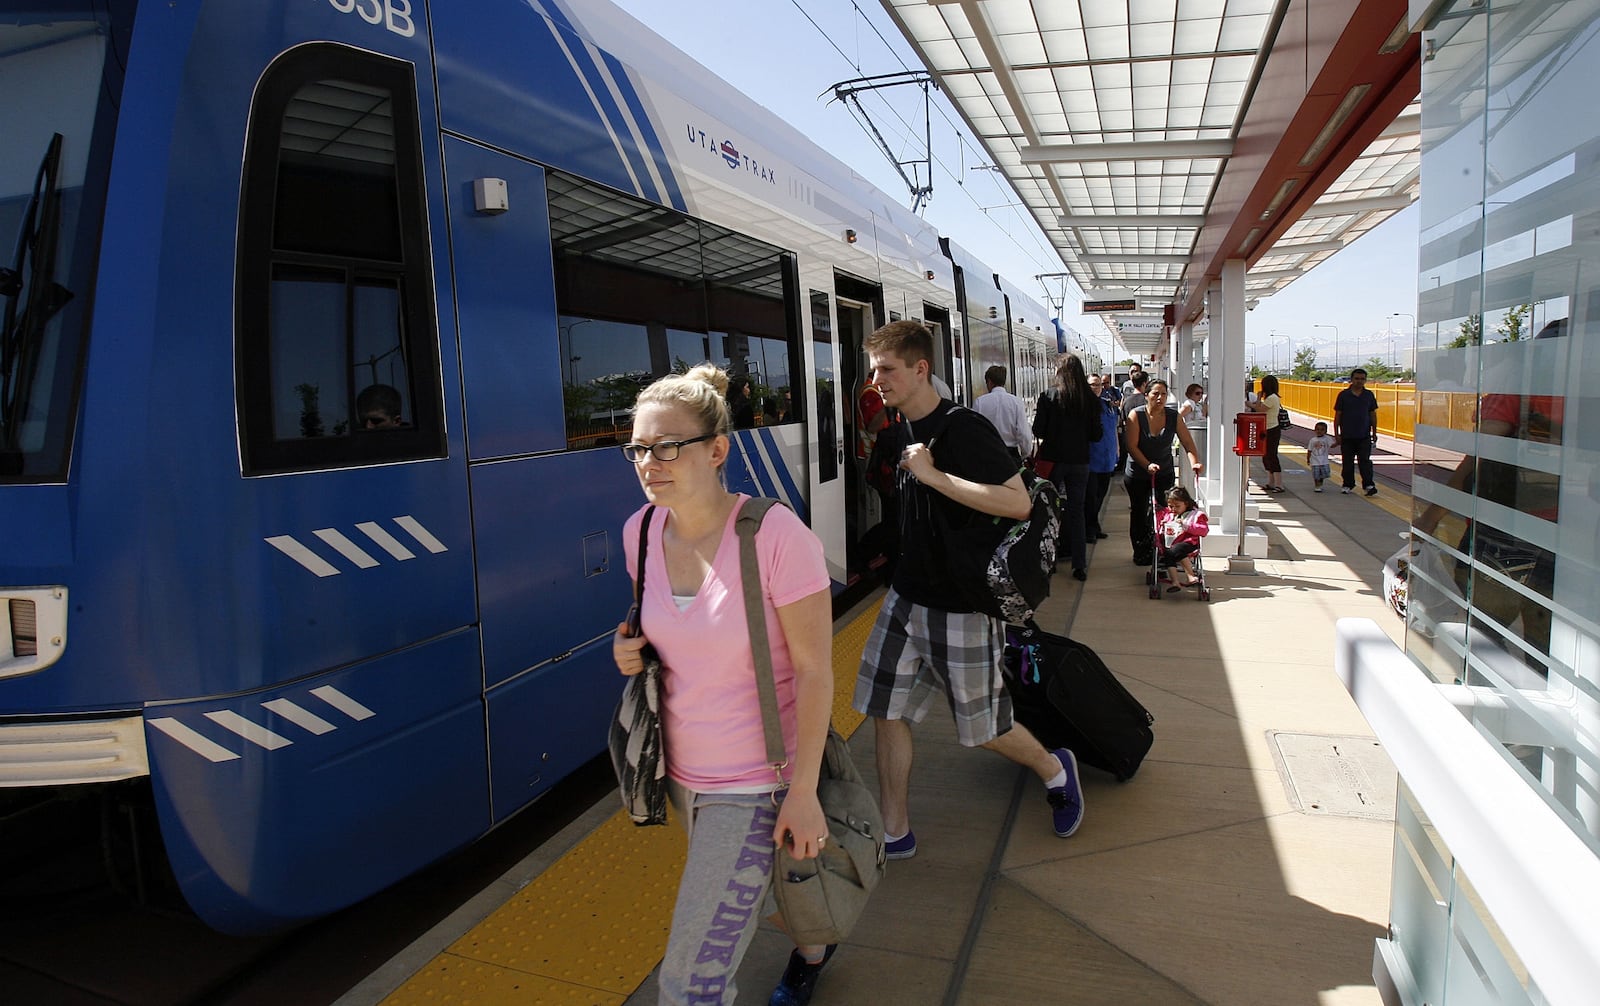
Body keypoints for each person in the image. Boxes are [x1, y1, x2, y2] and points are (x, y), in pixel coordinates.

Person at [610, 364, 837, 1006]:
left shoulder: (773, 536)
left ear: (716, 450)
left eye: (667, 446)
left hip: (755, 784)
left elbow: (817, 670)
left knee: (690, 984)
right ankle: (815, 948)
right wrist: (628, 647)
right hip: (681, 776)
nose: (649, 462)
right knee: (757, 894)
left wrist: (802, 791)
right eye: (639, 448)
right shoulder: (643, 532)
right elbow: (659, 629)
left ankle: (812, 945)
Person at [851, 320, 1085, 861]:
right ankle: (895, 831)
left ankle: (1055, 769)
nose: (876, 379)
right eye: (873, 369)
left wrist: (933, 476)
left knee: (982, 728)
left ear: (920, 368)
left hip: (960, 604)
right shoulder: (902, 427)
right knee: (886, 708)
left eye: (886, 369)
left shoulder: (963, 428)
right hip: (905, 597)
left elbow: (1017, 502)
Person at [1031, 354, 1102, 581]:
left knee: (1048, 511)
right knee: (1077, 512)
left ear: (1059, 371)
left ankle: (1048, 562)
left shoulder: (1049, 396)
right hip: (1080, 462)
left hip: (1053, 461)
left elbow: (1038, 430)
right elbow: (1096, 434)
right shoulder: (1089, 399)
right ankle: (1079, 565)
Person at [1123, 379, 1204, 566]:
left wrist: (1195, 462)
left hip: (1164, 472)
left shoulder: (1173, 416)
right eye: (1155, 394)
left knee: (1166, 513)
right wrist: (1147, 465)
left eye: (1164, 394)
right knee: (1140, 512)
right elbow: (1132, 446)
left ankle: (1163, 549)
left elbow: (1187, 443)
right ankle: (1141, 551)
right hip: (1138, 473)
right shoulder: (1136, 416)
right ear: (1146, 395)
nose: (1160, 398)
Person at [973, 364, 1034, 465]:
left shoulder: (979, 402)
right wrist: (1025, 454)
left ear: (989, 381)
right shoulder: (1016, 402)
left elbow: (975, 431)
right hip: (1010, 455)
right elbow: (1023, 433)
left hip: (987, 454)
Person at [1333, 368, 1380, 495]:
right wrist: (1337, 434)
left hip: (1364, 435)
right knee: (1347, 461)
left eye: (1362, 379)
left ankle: (1369, 485)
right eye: (1357, 379)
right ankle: (1348, 484)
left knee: (1364, 461)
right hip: (1347, 435)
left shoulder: (1369, 395)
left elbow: (1372, 414)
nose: (1359, 381)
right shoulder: (1343, 395)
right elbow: (1338, 415)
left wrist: (1374, 432)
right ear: (1352, 379)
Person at [1084, 374, 1120, 544]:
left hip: (1107, 457)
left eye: (1098, 385)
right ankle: (1089, 528)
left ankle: (1094, 525)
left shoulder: (1107, 404)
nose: (1096, 388)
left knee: (1101, 493)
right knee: (1091, 496)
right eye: (1092, 385)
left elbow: (1113, 429)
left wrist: (1117, 449)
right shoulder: (1084, 406)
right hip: (1091, 458)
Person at [1156, 486, 1210, 589]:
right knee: (1169, 553)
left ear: (1186, 504)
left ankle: (1191, 576)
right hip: (1171, 543)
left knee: (1177, 550)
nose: (1173, 509)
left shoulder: (1195, 515)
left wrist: (1186, 525)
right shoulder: (1169, 515)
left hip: (1189, 543)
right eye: (1170, 506)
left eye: (1177, 506)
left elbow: (1203, 530)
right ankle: (1175, 582)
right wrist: (1163, 525)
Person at [1250, 374, 1285, 493]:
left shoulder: (1272, 398)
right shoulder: (1270, 398)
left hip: (1272, 429)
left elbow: (1259, 410)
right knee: (1266, 456)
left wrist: (1258, 398)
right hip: (1266, 429)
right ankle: (1271, 482)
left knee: (1271, 455)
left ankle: (1278, 484)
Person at [1306, 421, 1335, 492]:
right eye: (1318, 429)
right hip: (1315, 461)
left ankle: (1320, 482)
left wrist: (1338, 443)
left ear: (1326, 431)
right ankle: (1317, 485)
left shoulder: (1327, 438)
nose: (1319, 431)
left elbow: (1332, 445)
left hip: (1324, 461)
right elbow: (1309, 450)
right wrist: (1308, 459)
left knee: (1324, 474)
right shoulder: (1313, 440)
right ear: (1315, 430)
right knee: (1316, 475)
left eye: (1322, 430)